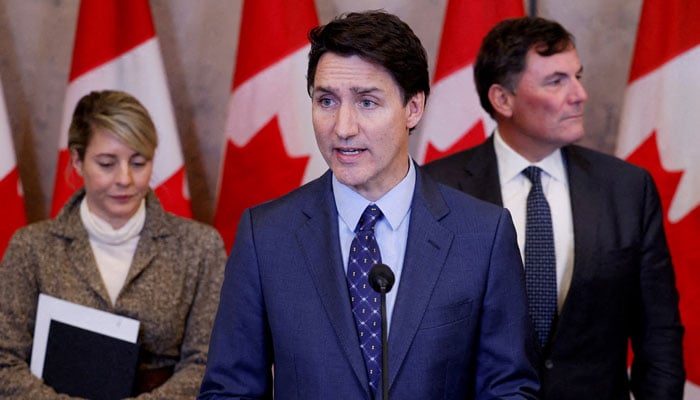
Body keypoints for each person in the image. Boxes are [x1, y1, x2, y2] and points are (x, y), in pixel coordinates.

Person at [199, 10, 539, 400]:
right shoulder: (266, 235)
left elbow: (510, 389)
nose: (342, 127)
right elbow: (229, 391)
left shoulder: (482, 234)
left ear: (413, 108)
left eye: (366, 102)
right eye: (326, 101)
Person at [423, 16, 685, 399]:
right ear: (502, 99)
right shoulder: (437, 189)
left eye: (577, 76)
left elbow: (658, 333)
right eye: (556, 81)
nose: (580, 94)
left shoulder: (627, 189)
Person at [0, 90, 227, 399]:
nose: (125, 179)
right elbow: (4, 360)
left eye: (138, 162)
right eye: (107, 163)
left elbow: (207, 362)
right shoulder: (31, 248)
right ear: (77, 161)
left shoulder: (201, 247)